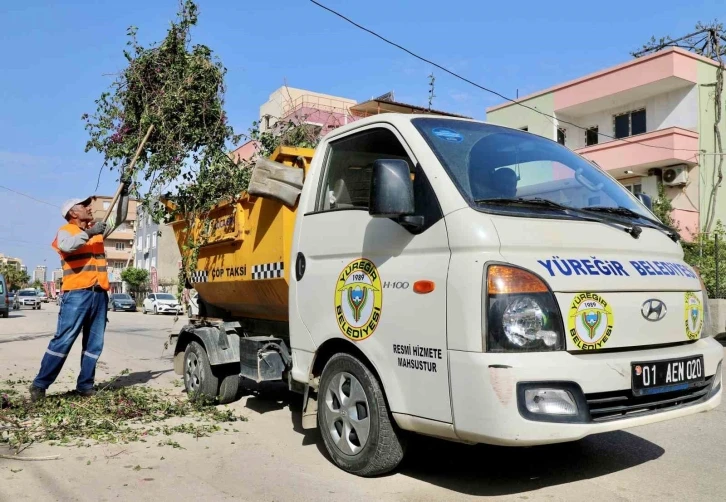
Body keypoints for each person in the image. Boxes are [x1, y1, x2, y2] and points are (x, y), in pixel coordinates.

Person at [29, 184, 129, 401]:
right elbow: (67, 246)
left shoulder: (98, 231)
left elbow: (119, 216)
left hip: (99, 294)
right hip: (76, 294)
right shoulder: (67, 232)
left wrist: (125, 192)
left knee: (94, 343)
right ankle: (40, 385)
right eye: (83, 205)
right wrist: (90, 233)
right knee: (64, 340)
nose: (89, 207)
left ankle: (85, 386)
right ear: (73, 213)